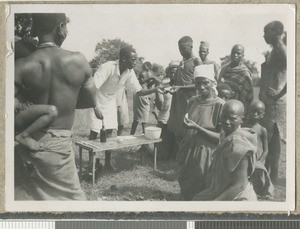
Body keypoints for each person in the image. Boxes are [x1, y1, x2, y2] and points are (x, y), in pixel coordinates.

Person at [14, 13, 102, 200]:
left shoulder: (21, 65)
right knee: (73, 207)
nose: (67, 31)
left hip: (28, 143)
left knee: (28, 201)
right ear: (60, 27)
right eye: (66, 28)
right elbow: (90, 101)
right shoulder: (78, 60)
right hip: (58, 145)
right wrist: (66, 101)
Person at [87, 46, 163, 171]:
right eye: (132, 60)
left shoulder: (129, 72)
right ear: (123, 59)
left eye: (136, 60)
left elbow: (138, 92)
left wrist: (155, 89)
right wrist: (95, 107)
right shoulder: (108, 67)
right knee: (95, 132)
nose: (135, 62)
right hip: (97, 99)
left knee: (110, 133)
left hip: (110, 101)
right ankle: (91, 163)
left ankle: (107, 163)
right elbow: (92, 88)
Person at [177, 64, 225, 200]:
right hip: (188, 150)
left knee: (203, 190)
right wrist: (186, 125)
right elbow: (188, 123)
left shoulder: (220, 105)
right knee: (186, 187)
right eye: (197, 83)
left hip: (206, 155)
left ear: (213, 82)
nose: (201, 87)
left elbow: (222, 137)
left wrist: (198, 128)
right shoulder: (192, 101)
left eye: (205, 83)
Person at [193, 100, 257, 201]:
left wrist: (215, 204)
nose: (226, 121)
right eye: (223, 116)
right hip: (220, 189)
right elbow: (221, 138)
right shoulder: (226, 133)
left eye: (232, 118)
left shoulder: (239, 144)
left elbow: (239, 186)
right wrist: (197, 128)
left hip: (237, 196)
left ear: (242, 120)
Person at [259, 21, 287, 184]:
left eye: (266, 32)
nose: (264, 36)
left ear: (277, 33)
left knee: (274, 139)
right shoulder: (273, 51)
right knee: (268, 139)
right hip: (269, 103)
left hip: (276, 105)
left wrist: (278, 93)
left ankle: (274, 176)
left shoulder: (282, 51)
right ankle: (268, 173)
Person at [167, 36, 201, 156]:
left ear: (191, 46)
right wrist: (169, 88)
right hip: (178, 102)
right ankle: (179, 156)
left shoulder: (196, 62)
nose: (180, 51)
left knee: (188, 130)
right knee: (178, 129)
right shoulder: (182, 62)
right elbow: (176, 82)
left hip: (190, 102)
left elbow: (199, 85)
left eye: (183, 48)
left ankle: (188, 157)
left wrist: (181, 88)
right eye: (179, 48)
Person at [244, 101, 274, 198]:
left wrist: (260, 161)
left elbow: (266, 150)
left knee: (258, 174)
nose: (255, 114)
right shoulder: (243, 126)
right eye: (253, 111)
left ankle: (259, 190)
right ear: (248, 111)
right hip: (244, 156)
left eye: (258, 112)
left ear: (262, 115)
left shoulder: (262, 130)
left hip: (257, 158)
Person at [218, 44, 253, 113]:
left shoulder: (244, 73)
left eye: (238, 53)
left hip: (236, 106)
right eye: (233, 53)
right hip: (221, 102)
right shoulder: (225, 68)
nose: (235, 55)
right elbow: (218, 84)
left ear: (243, 56)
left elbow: (249, 95)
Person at [130, 71, 153, 135]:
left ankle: (145, 140)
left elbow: (151, 96)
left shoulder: (148, 85)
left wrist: (151, 79)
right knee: (135, 122)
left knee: (144, 123)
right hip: (137, 106)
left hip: (145, 106)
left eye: (143, 77)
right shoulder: (137, 84)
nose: (141, 79)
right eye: (140, 77)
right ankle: (131, 136)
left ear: (147, 78)